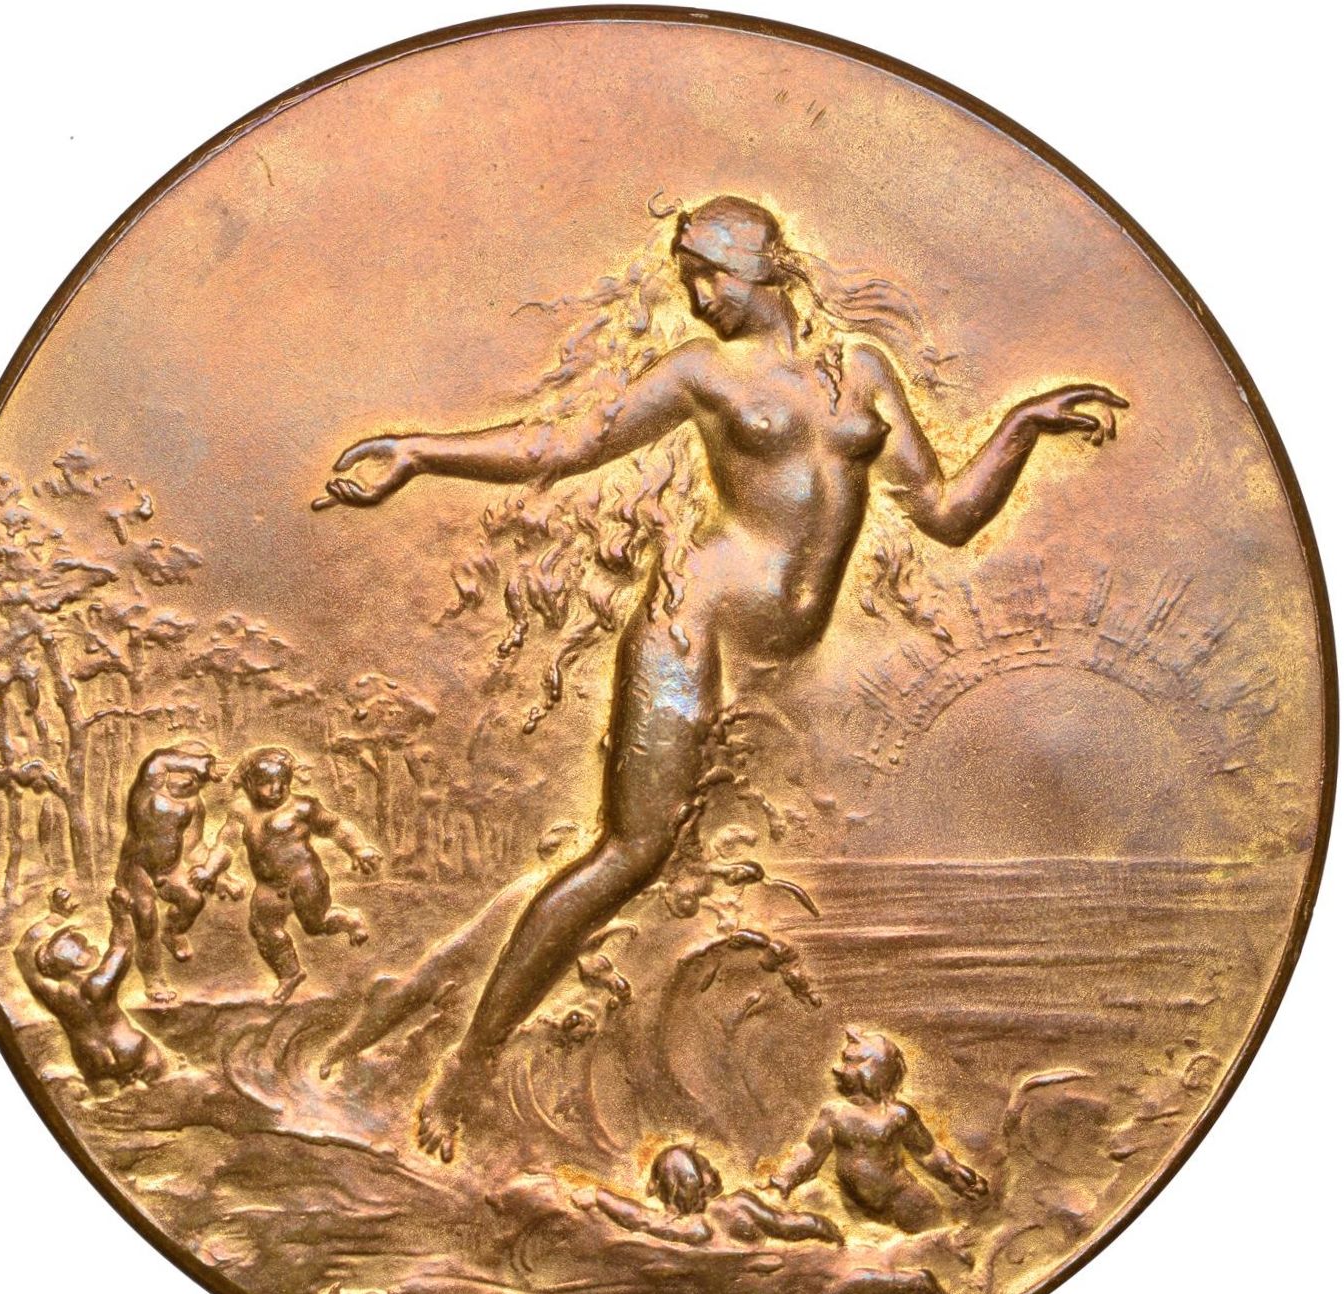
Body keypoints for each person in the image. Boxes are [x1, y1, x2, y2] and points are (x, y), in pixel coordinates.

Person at [321, 194, 1126, 1160]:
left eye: (709, 274)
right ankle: (470, 1060)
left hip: (772, 667)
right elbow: (567, 443)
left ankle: (472, 997)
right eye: (687, 277)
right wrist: (418, 454)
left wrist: (1022, 427)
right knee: (630, 854)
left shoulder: (863, 369)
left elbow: (946, 514)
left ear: (763, 266)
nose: (698, 296)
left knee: (663, 862)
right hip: (691, 630)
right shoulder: (701, 373)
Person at [200, 747, 381, 1003]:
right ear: (250, 783)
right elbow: (227, 844)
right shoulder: (241, 812)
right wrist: (210, 868)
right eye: (266, 783)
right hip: (269, 885)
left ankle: (350, 920)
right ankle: (290, 973)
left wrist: (358, 848)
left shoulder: (302, 807)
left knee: (316, 924)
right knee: (263, 928)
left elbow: (337, 827)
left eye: (282, 783)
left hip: (306, 878)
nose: (275, 789)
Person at [767, 1031, 986, 1232]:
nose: (837, 1069)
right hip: (853, 1206)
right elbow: (812, 1150)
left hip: (902, 1196)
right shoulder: (834, 1113)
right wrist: (785, 1178)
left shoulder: (898, 1114)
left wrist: (953, 1173)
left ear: (872, 1070)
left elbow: (927, 1152)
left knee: (933, 1234)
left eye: (849, 1062)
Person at [115, 743, 236, 1003]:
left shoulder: (194, 806)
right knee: (146, 920)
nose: (189, 780)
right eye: (185, 770)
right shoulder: (150, 786)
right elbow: (158, 757)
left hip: (170, 870)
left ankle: (172, 932)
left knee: (192, 900)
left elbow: (194, 847)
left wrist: (217, 875)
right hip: (137, 868)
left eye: (195, 778)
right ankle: (153, 977)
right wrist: (205, 763)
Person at [13, 886, 164, 1090]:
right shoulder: (98, 984)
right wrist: (121, 914)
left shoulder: (51, 995)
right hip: (131, 1048)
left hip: (93, 1063)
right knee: (161, 1084)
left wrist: (54, 918)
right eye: (85, 945)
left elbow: (22, 952)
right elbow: (122, 947)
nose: (93, 946)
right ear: (79, 960)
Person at [574, 1142, 841, 1247]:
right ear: (706, 1178)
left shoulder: (689, 1228)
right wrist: (827, 1229)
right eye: (707, 1166)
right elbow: (787, 1225)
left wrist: (600, 1197)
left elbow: (641, 1219)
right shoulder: (739, 1205)